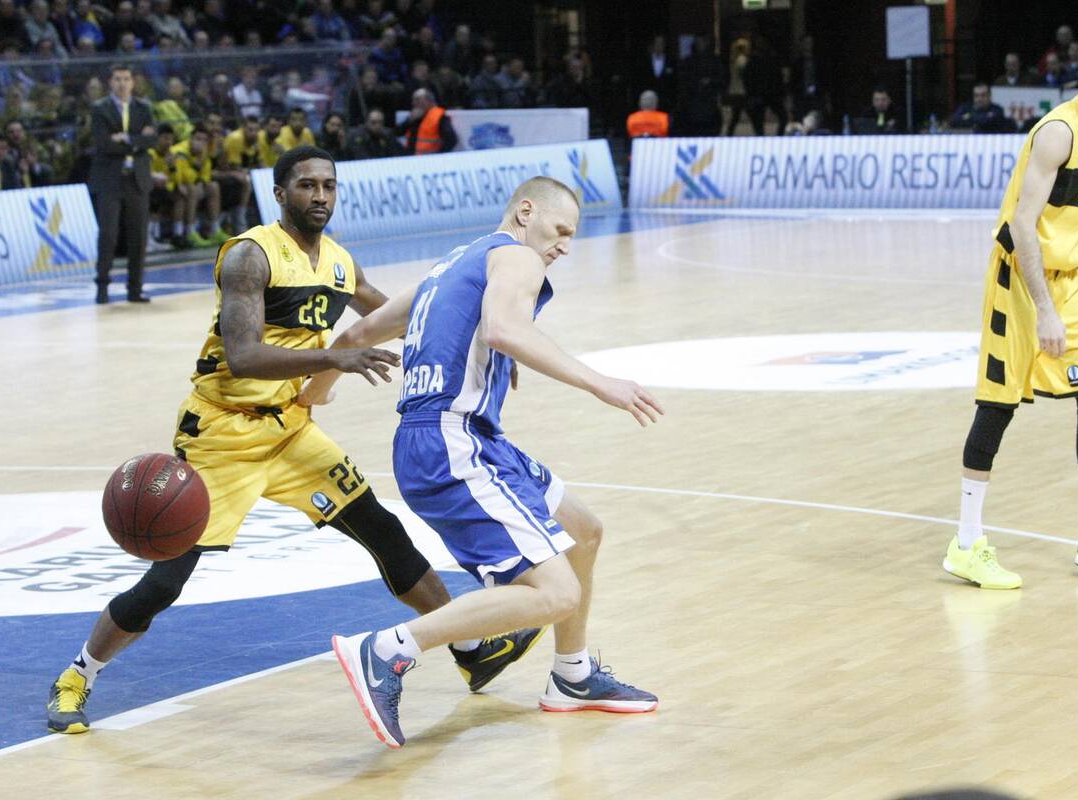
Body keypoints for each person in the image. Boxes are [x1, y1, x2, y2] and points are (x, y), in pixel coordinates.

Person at [45, 146, 543, 735]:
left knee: (382, 528)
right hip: (222, 434)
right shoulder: (251, 256)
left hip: (290, 429)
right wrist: (335, 357)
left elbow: (408, 316)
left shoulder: (339, 263)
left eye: (329, 185)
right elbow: (243, 355)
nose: (320, 196)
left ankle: (471, 652)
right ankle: (77, 674)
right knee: (166, 580)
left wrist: (488, 344)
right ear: (280, 194)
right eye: (307, 185)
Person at [299, 176, 663, 749]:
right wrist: (601, 384)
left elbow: (360, 334)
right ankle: (387, 650)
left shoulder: (450, 267)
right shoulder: (517, 257)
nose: (565, 245)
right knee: (557, 593)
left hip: (457, 440)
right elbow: (503, 329)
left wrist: (311, 397)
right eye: (561, 230)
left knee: (584, 531)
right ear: (526, 211)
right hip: (453, 444)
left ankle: (571, 676)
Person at [943, 41, 1078, 591]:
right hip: (1020, 276)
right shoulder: (1059, 133)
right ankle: (966, 546)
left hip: (1070, 275)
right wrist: (1046, 312)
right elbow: (1023, 225)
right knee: (998, 405)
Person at [89, 63, 157, 305]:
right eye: (117, 79)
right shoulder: (100, 109)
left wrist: (125, 139)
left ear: (132, 82)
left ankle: (135, 289)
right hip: (110, 179)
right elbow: (104, 144)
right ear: (110, 82)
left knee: (138, 236)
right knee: (108, 234)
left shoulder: (144, 107)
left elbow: (152, 140)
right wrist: (137, 141)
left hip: (137, 179)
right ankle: (102, 287)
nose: (122, 83)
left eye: (126, 79)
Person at [399, 88, 456, 155]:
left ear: (428, 100)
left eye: (417, 99)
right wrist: (409, 120)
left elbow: (451, 140)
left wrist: (438, 156)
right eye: (413, 100)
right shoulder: (414, 116)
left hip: (428, 158)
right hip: (410, 157)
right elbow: (398, 133)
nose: (413, 103)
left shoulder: (439, 116)